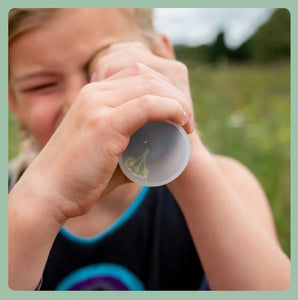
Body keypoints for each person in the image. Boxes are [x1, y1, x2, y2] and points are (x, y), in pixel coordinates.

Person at [8, 8, 290, 291]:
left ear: (162, 58)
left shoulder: (231, 185)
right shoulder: (12, 201)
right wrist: (39, 203)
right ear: (14, 102)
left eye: (100, 68)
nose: (80, 102)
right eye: (42, 86)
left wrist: (182, 148)